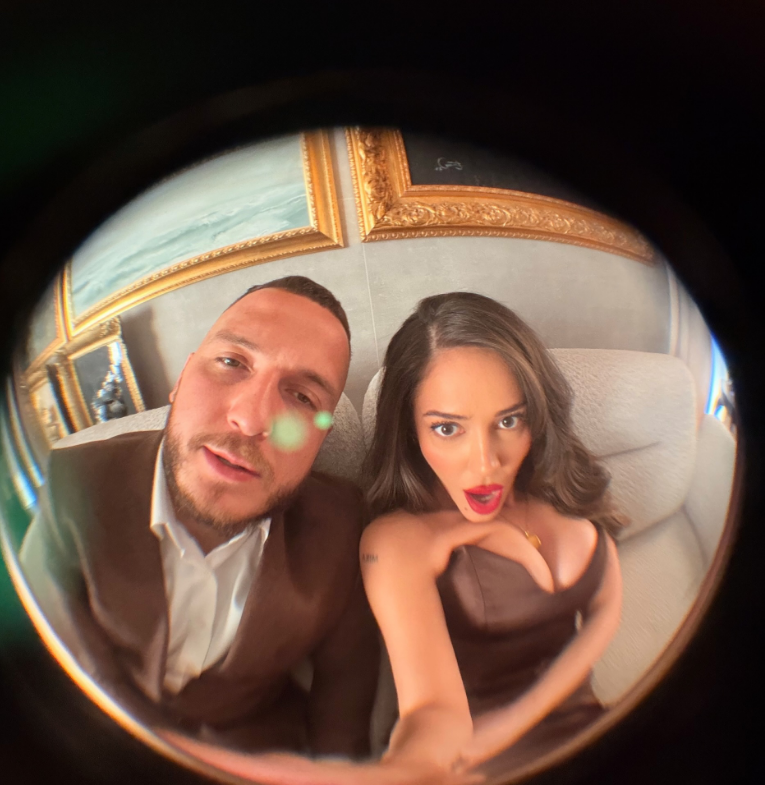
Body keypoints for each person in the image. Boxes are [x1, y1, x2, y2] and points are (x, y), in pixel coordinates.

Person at [162, 291, 623, 785]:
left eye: (508, 421)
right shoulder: (399, 540)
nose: (485, 463)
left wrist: (527, 711)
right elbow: (432, 711)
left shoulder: (558, 489)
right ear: (410, 429)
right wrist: (412, 766)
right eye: (447, 429)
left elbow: (604, 608)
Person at [19, 276, 380, 758]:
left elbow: (344, 715)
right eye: (232, 363)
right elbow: (52, 667)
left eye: (302, 397)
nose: (250, 421)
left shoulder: (343, 527)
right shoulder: (74, 485)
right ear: (183, 377)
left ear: (321, 437)